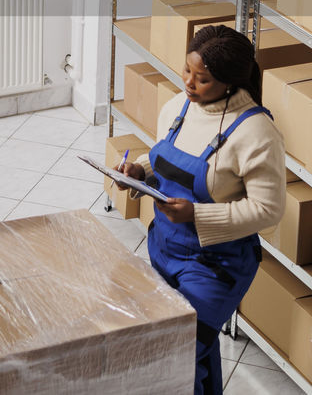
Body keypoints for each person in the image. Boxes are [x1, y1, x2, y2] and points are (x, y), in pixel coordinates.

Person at [116, 24, 285, 395]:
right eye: (187, 72)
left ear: (229, 82)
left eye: (202, 79)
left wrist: (197, 215)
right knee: (193, 346)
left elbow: (268, 210)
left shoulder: (256, 133)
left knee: (173, 352)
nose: (189, 84)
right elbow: (162, 155)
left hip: (215, 267)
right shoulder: (178, 106)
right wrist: (139, 170)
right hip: (163, 248)